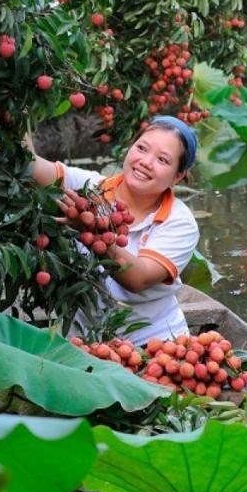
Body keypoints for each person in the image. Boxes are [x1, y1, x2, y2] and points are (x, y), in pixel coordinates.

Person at [26, 116, 200, 346]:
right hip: (84, 342)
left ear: (178, 175)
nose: (146, 162)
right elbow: (30, 166)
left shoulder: (180, 222)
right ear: (130, 148)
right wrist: (17, 108)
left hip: (154, 346)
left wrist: (90, 229)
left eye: (162, 159)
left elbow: (137, 278)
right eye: (141, 148)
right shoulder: (91, 189)